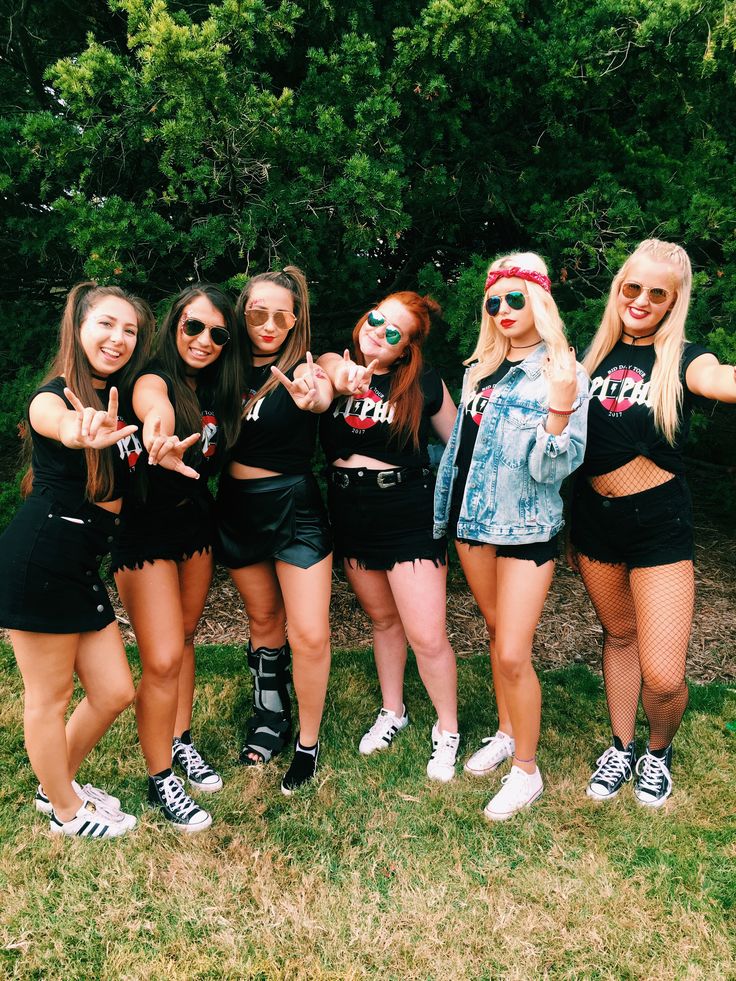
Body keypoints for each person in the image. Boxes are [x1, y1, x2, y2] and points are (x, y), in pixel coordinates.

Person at [569, 238, 736, 808]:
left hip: (659, 522)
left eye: (656, 293)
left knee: (663, 677)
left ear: (673, 302)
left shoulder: (688, 358)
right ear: (618, 288)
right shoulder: (585, 359)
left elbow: (721, 381)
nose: (640, 300)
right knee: (619, 636)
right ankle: (621, 744)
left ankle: (657, 751)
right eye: (631, 287)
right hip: (594, 520)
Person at [434, 252, 589, 820]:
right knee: (497, 632)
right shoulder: (480, 368)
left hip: (525, 525)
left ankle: (527, 770)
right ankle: (505, 730)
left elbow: (559, 464)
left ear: (540, 302)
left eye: (515, 299)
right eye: (493, 300)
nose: (501, 309)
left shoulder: (563, 370)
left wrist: (559, 405)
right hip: (473, 520)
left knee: (514, 649)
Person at [0, 281, 154, 838]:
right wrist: (78, 427)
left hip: (79, 560)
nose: (117, 338)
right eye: (105, 324)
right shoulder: (56, 396)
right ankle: (65, 811)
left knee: (114, 690)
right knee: (50, 697)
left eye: (129, 330)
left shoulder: (121, 396)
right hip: (42, 556)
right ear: (79, 328)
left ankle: (55, 783)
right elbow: (56, 423)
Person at [112, 284, 242, 832]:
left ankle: (180, 739)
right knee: (161, 658)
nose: (205, 340)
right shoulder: (153, 377)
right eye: (194, 326)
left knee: (184, 643)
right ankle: (160, 774)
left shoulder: (216, 388)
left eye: (218, 333)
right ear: (174, 325)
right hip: (143, 532)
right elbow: (153, 407)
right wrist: (157, 432)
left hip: (195, 527)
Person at [318, 293, 461, 780]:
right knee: (383, 620)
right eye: (375, 318)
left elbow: (461, 444)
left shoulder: (422, 383)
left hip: (406, 511)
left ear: (407, 350)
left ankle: (448, 729)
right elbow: (327, 366)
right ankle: (393, 711)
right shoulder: (334, 370)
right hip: (350, 512)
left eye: (393, 332)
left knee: (426, 634)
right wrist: (341, 374)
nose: (378, 331)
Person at [215, 266, 334, 794]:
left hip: (295, 505)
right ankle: (271, 714)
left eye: (280, 314)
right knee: (263, 618)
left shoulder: (309, 363)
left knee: (308, 632)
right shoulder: (220, 365)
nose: (267, 323)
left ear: (295, 320)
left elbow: (326, 385)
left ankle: (307, 741)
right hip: (238, 505)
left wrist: (318, 394)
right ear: (242, 314)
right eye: (256, 312)